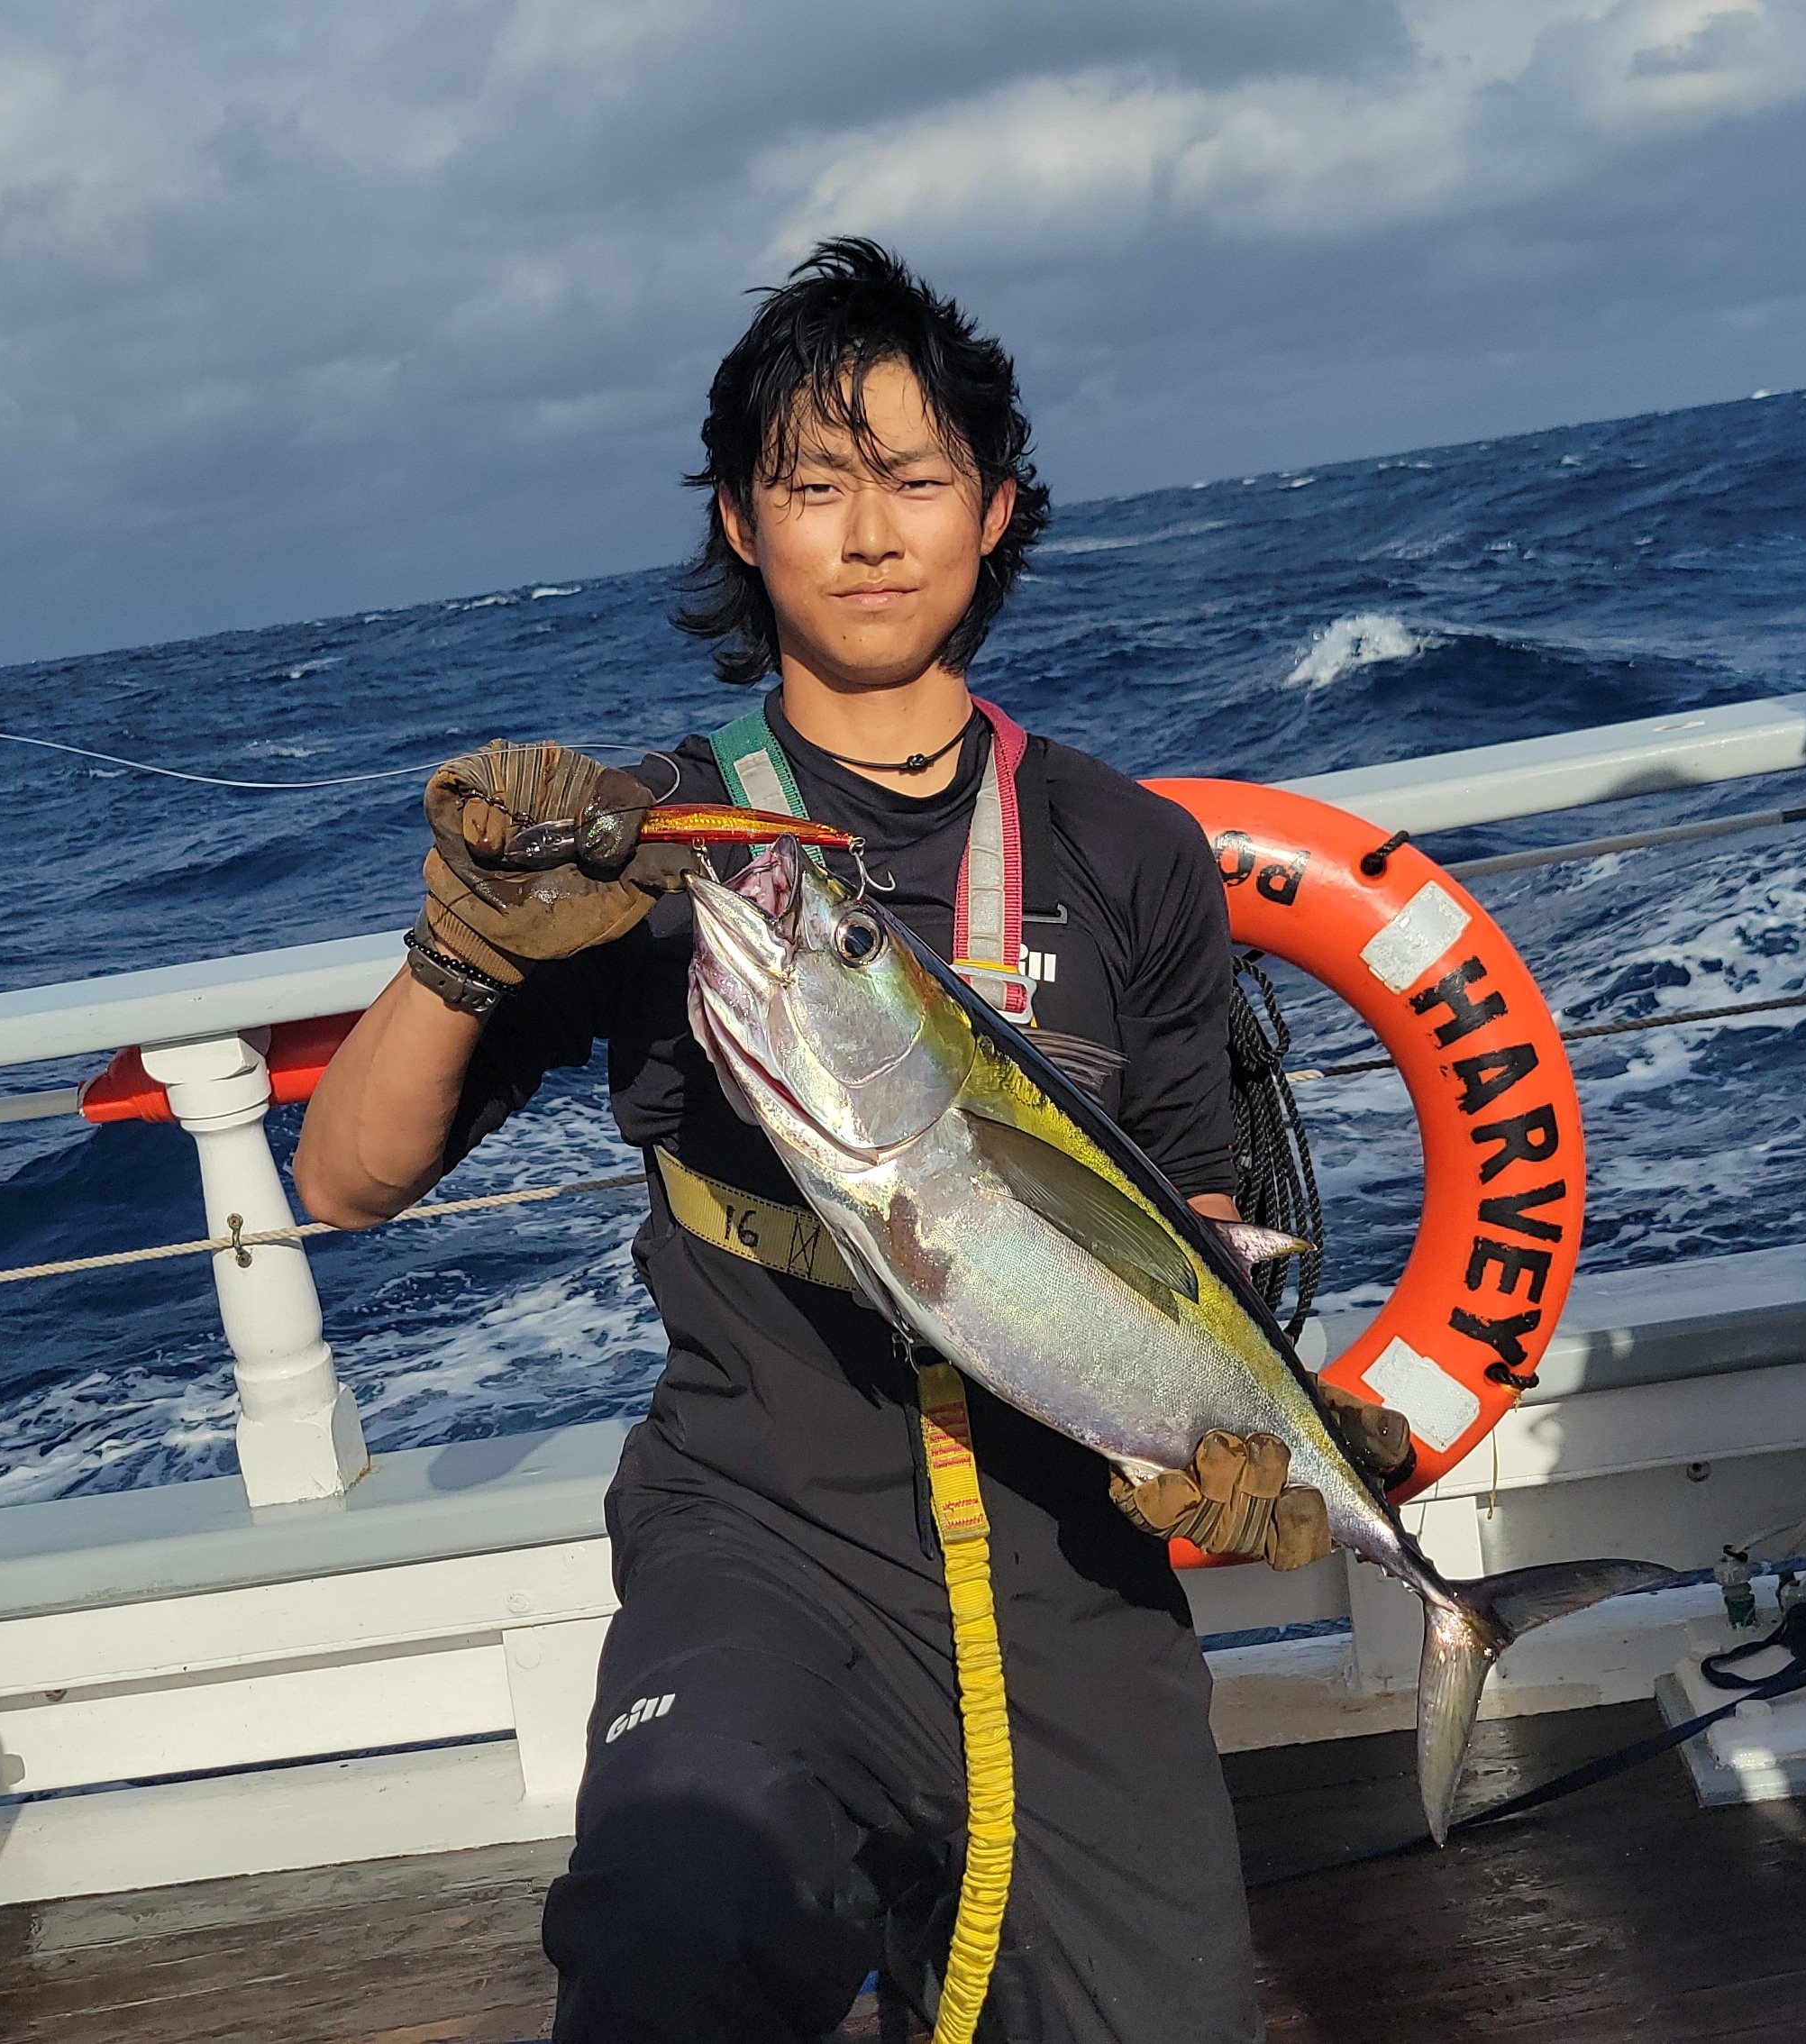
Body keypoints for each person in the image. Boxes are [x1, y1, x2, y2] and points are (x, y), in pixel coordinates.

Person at [295, 242, 1384, 2039]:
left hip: (1075, 1567)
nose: (867, 531)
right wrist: (468, 942)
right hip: (764, 1541)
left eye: (915, 478)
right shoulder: (654, 853)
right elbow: (345, 1177)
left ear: (995, 509)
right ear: (740, 523)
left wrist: (1241, 1438)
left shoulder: (1127, 851)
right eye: (813, 483)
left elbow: (1190, 1213)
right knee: (667, 1922)